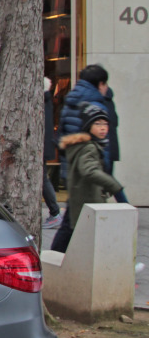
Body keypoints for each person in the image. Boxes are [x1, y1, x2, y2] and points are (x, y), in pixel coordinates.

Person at [51, 104, 123, 254]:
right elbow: (89, 170)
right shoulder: (88, 147)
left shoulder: (92, 145)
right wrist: (113, 185)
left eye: (105, 124)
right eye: (98, 124)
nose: (103, 128)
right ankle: (54, 258)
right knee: (71, 233)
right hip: (85, 199)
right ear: (88, 126)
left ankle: (55, 258)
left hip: (82, 198)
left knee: (70, 233)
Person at [60, 64, 125, 202]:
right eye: (105, 83)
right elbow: (103, 138)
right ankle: (128, 211)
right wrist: (105, 165)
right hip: (91, 161)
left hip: (73, 160)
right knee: (95, 201)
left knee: (77, 206)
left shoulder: (70, 100)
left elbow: (62, 133)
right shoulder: (97, 105)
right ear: (100, 84)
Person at [41, 77, 63, 229]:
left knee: (42, 179)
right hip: (44, 144)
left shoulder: (41, 101)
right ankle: (55, 212)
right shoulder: (46, 100)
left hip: (40, 145)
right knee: (42, 178)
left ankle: (55, 212)